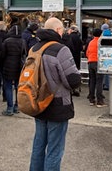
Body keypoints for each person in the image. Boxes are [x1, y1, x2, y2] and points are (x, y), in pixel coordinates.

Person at [29, 17, 81, 171]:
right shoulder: (61, 49)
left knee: (38, 145)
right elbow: (73, 80)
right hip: (57, 104)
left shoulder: (34, 48)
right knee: (55, 149)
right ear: (58, 30)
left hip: (38, 102)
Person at [0, 25, 26, 116]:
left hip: (8, 66)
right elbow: (25, 54)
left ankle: (9, 108)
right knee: (18, 87)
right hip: (19, 66)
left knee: (8, 87)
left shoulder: (7, 41)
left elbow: (2, 55)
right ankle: (17, 106)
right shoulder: (23, 41)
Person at [86, 28, 106, 107]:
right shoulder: (101, 42)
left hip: (90, 62)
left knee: (92, 81)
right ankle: (100, 101)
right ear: (101, 34)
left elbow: (87, 53)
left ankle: (91, 99)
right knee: (99, 82)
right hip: (98, 63)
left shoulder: (91, 42)